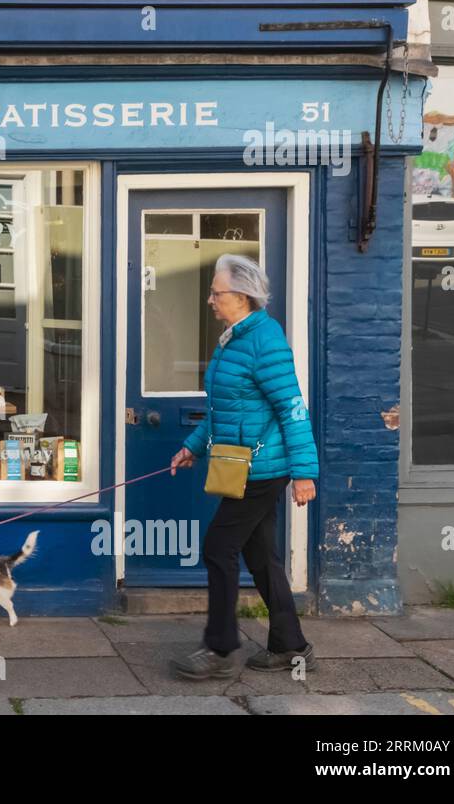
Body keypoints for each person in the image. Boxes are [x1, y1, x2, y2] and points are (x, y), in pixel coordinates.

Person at [168, 253, 319, 680]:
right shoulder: (236, 338)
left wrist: (305, 472)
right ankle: (292, 646)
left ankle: (219, 648)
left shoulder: (265, 342)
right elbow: (222, 410)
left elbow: (292, 409)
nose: (210, 300)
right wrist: (193, 446)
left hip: (262, 469)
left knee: (218, 547)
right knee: (260, 554)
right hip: (242, 465)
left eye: (216, 293)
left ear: (242, 296)